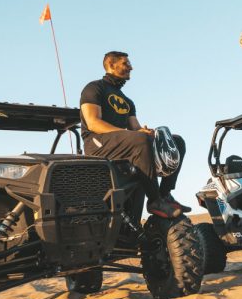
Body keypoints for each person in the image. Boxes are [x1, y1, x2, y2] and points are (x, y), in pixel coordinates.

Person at [80, 51, 190, 218]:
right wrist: (136, 135)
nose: (131, 67)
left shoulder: (127, 101)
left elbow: (135, 128)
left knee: (176, 141)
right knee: (140, 140)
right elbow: (93, 123)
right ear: (111, 65)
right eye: (125, 63)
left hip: (123, 143)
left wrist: (146, 132)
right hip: (96, 143)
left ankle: (165, 194)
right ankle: (154, 200)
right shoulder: (94, 88)